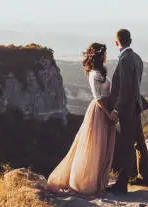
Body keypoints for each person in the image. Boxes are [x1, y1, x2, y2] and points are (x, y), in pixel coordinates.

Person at [46, 43, 117, 196]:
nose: (106, 56)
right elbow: (98, 97)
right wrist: (109, 113)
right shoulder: (94, 74)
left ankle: (99, 181)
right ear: (99, 56)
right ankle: (86, 182)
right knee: (95, 145)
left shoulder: (100, 72)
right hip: (99, 112)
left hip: (106, 110)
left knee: (103, 145)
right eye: (104, 53)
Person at [106, 29, 148, 194]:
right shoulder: (137, 58)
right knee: (139, 143)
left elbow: (125, 88)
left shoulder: (124, 60)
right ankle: (144, 176)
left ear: (117, 42)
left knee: (126, 145)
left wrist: (117, 108)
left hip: (127, 109)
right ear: (130, 40)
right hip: (136, 106)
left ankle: (122, 184)